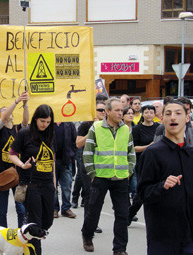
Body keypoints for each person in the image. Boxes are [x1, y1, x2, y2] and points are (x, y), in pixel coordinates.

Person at [137, 101, 193, 255]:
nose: (172, 118)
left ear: (187, 118)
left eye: (178, 113)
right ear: (161, 119)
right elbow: (142, 193)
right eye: (168, 114)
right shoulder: (153, 153)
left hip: (189, 235)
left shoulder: (190, 153)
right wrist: (162, 186)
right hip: (163, 235)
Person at [81, 97, 136, 254]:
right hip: (100, 177)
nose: (121, 113)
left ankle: (120, 249)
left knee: (122, 215)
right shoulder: (96, 128)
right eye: (117, 110)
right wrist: (92, 173)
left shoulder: (126, 129)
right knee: (93, 211)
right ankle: (87, 235)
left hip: (120, 178)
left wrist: (129, 171)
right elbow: (88, 152)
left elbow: (131, 152)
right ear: (107, 112)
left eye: (122, 110)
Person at [9, 104, 55, 255]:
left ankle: (25, 236)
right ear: (35, 119)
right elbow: (12, 154)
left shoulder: (50, 133)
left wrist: (54, 185)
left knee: (47, 222)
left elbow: (52, 162)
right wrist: (22, 165)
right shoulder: (24, 133)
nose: (44, 124)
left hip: (48, 185)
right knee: (37, 224)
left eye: (48, 122)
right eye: (42, 121)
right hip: (31, 185)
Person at [0, 91, 29, 229]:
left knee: (21, 208)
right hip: (2, 174)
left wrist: (25, 105)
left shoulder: (17, 130)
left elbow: (26, 121)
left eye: (7, 111)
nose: (6, 113)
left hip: (17, 174)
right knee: (2, 210)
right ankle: (2, 237)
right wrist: (16, 101)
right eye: (3, 112)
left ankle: (21, 235)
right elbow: (5, 116)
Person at [72, 101, 106, 233]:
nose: (102, 112)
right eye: (99, 110)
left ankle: (94, 222)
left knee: (99, 196)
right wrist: (93, 130)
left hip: (103, 164)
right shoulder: (85, 125)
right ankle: (88, 224)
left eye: (104, 110)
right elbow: (78, 144)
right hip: (87, 163)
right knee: (90, 194)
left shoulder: (110, 126)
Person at [128, 105, 159, 224]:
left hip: (157, 162)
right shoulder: (137, 129)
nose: (149, 115)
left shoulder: (159, 127)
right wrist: (149, 147)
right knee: (141, 191)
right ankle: (130, 214)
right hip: (143, 163)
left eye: (151, 112)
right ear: (142, 114)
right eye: (146, 112)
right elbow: (133, 148)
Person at [53, 121, 77, 219]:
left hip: (66, 160)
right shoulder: (49, 123)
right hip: (52, 160)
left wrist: (71, 154)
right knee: (53, 186)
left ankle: (66, 208)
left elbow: (75, 141)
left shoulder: (69, 124)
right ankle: (54, 208)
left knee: (67, 186)